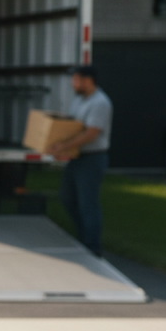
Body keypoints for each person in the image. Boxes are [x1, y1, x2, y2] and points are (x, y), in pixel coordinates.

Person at [49, 65, 113, 256]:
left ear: (88, 80)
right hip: (78, 157)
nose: (72, 83)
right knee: (67, 197)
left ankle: (92, 247)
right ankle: (84, 236)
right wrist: (62, 147)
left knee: (88, 203)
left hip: (92, 159)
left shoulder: (100, 103)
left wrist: (65, 146)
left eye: (76, 80)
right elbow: (74, 127)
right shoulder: (79, 100)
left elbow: (91, 133)